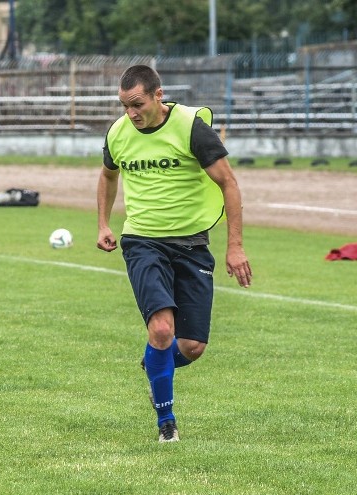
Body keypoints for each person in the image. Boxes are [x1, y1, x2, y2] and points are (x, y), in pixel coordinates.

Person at [96, 65, 252, 443]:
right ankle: (167, 424)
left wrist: (235, 246)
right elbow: (107, 175)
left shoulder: (190, 127)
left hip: (192, 244)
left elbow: (229, 183)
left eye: (137, 104)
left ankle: (155, 364)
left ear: (157, 95)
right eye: (124, 105)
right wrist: (103, 223)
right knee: (162, 329)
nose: (131, 113)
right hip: (142, 241)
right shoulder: (118, 132)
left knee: (192, 346)